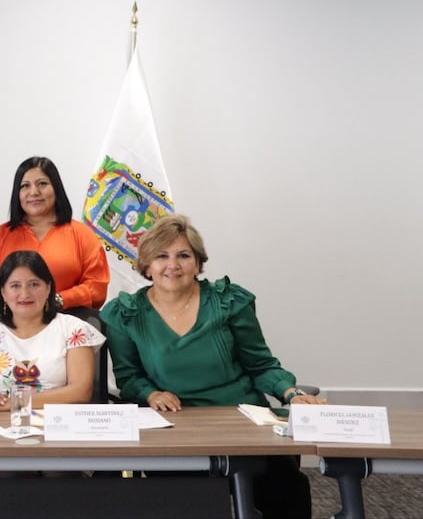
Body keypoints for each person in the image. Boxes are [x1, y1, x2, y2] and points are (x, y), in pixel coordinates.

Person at [100, 214, 326, 519]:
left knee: (287, 487)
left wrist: (291, 392)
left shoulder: (227, 302)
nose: (173, 265)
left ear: (198, 262)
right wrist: (151, 394)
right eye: (161, 256)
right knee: (179, 498)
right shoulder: (125, 313)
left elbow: (261, 365)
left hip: (241, 419)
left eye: (183, 255)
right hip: (175, 425)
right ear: (147, 265)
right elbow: (129, 377)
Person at [0, 250, 104, 410]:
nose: (25, 294)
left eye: (34, 284)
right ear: (3, 292)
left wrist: (15, 403)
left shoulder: (74, 330)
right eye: (15, 286)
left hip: (57, 425)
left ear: (48, 288)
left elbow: (81, 392)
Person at [0, 156, 109, 319]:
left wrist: (58, 300)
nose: (34, 192)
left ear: (56, 189)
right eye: (25, 186)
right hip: (12, 330)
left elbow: (97, 287)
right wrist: (22, 312)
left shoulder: (82, 235)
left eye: (42, 184)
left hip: (69, 326)